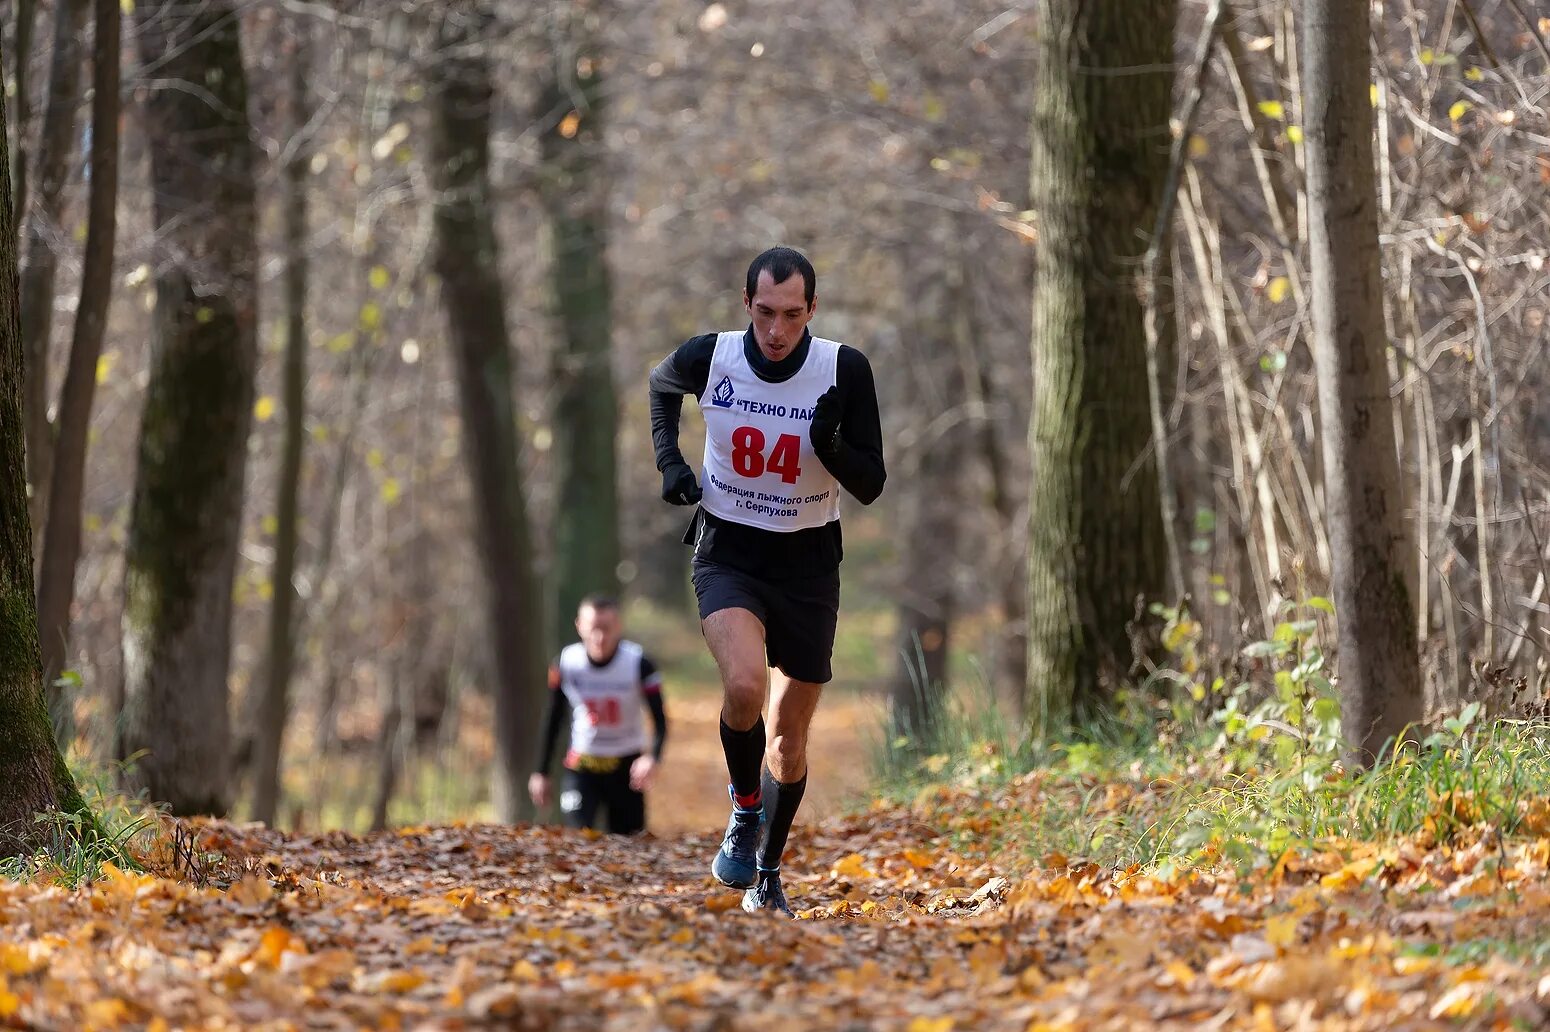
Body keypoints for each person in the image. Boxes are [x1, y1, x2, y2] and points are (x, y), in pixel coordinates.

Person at [647, 246, 885, 915]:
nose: (776, 330)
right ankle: (744, 808)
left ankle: (770, 871)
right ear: (745, 304)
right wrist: (670, 463)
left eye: (789, 314)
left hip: (808, 565)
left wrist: (832, 445)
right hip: (730, 553)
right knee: (746, 685)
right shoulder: (712, 357)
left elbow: (872, 483)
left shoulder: (843, 369)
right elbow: (662, 386)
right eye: (763, 313)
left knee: (786, 736)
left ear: (812, 309)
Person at [528, 595, 667, 834]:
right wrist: (541, 771)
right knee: (578, 840)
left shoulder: (639, 663)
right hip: (582, 764)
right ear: (579, 627)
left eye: (607, 629)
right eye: (593, 629)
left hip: (626, 765)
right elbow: (553, 718)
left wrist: (652, 758)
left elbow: (660, 720)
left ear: (619, 627)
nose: (599, 638)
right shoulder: (566, 663)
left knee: (628, 843)